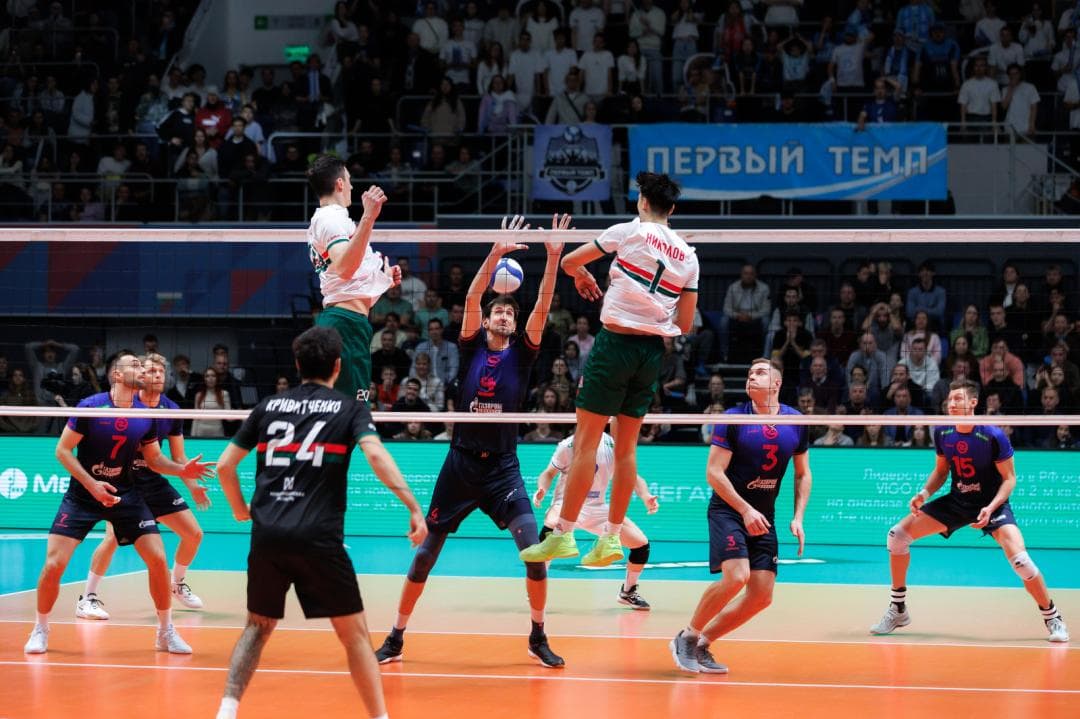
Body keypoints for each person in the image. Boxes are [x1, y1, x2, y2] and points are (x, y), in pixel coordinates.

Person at [375, 214, 571, 669]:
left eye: (510, 313)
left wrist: (553, 257)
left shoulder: (523, 355)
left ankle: (538, 635)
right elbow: (470, 296)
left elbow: (542, 305)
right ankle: (396, 637)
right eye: (497, 312)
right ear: (484, 321)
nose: (504, 315)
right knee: (425, 556)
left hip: (503, 467)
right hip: (460, 466)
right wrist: (494, 253)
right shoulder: (470, 348)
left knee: (535, 556)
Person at [213, 327, 427, 719]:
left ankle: (226, 711)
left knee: (257, 627)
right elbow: (376, 456)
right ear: (338, 366)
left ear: (297, 365)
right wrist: (413, 506)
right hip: (319, 538)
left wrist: (240, 509)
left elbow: (225, 466)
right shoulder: (350, 408)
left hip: (268, 536)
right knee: (355, 636)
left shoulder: (268, 407)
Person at [521, 172, 698, 568]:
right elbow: (685, 323)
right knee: (626, 450)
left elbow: (570, 262)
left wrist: (581, 274)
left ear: (641, 201)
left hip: (615, 343)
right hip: (651, 352)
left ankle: (563, 535)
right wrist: (655, 309)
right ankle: (612, 538)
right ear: (671, 209)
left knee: (586, 443)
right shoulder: (689, 256)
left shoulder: (629, 230)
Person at [24, 351, 215, 655]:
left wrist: (183, 471)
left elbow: (154, 459)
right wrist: (92, 484)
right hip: (83, 496)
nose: (143, 370)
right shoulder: (91, 407)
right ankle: (41, 628)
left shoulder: (146, 414)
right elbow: (62, 451)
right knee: (53, 565)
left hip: (126, 495)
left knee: (158, 559)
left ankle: (165, 632)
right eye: (135, 365)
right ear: (117, 375)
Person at [870, 379, 1069, 643]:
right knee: (897, 537)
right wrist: (924, 494)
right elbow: (941, 471)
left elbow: (1010, 479)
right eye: (949, 399)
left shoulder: (993, 435)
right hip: (957, 502)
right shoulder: (943, 433)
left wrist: (991, 507)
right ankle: (898, 609)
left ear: (973, 402)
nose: (951, 404)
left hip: (992, 504)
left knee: (1021, 561)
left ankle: (1053, 618)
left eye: (958, 399)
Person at [670, 358, 812, 673]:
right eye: (749, 374)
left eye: (760, 373)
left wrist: (798, 517)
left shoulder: (796, 421)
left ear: (777, 383)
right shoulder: (733, 418)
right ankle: (687, 636)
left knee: (761, 596)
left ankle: (703, 643)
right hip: (729, 510)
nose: (751, 377)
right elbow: (713, 473)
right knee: (736, 577)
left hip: (764, 516)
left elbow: (803, 473)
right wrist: (745, 509)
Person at [77, 353, 211, 621]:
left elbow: (178, 457)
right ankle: (87, 598)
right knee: (112, 538)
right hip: (124, 481)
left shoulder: (171, 410)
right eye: (150, 371)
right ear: (139, 375)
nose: (157, 375)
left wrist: (193, 486)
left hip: (153, 480)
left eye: (161, 371)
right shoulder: (127, 403)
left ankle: (177, 584)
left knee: (194, 534)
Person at [307, 154, 401, 402]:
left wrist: (383, 280)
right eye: (349, 180)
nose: (351, 186)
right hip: (344, 325)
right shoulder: (331, 218)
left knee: (344, 412)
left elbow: (349, 282)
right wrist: (369, 216)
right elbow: (344, 268)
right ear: (339, 183)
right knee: (351, 413)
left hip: (349, 323)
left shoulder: (334, 220)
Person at [533, 429, 660, 609]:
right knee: (551, 528)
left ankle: (628, 592)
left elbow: (631, 476)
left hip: (598, 509)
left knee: (641, 544)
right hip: (567, 504)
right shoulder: (568, 445)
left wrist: (645, 496)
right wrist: (542, 490)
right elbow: (548, 473)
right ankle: (537, 587)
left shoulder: (612, 445)